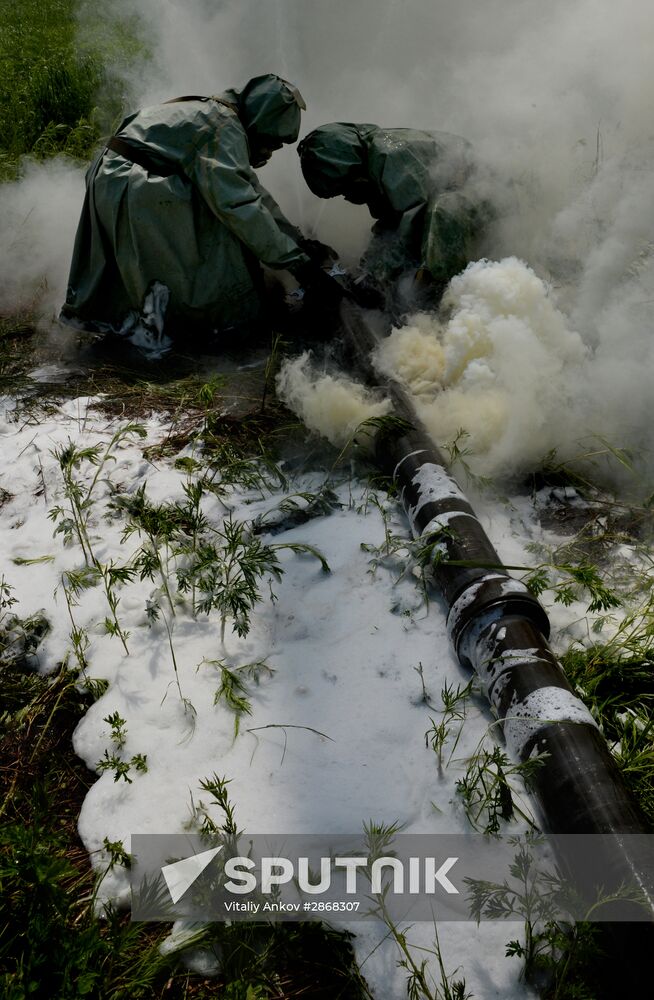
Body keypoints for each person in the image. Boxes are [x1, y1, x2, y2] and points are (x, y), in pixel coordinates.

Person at [60, 74, 338, 343]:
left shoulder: (218, 116)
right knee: (219, 228)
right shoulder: (222, 128)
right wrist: (300, 267)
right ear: (258, 121)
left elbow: (254, 194)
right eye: (270, 141)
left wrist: (297, 241)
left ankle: (144, 320)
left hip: (114, 177)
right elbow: (241, 207)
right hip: (134, 184)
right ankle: (213, 325)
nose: (268, 152)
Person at [298, 122, 487, 308]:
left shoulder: (389, 156)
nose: (347, 196)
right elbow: (390, 222)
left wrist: (377, 277)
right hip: (457, 194)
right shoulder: (373, 160)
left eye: (344, 188)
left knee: (441, 213)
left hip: (482, 192)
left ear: (350, 168)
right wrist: (369, 269)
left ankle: (443, 297)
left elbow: (411, 219)